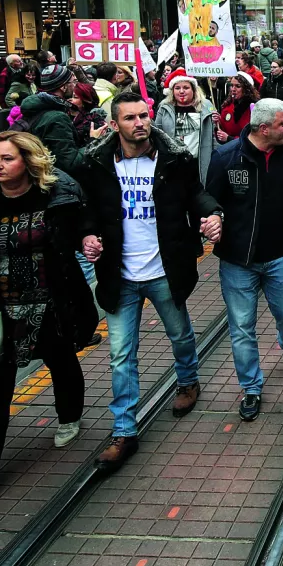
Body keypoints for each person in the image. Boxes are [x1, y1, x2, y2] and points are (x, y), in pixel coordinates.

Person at [0, 131, 99, 510]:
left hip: (50, 306)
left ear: (29, 162)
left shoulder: (58, 197)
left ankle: (69, 416)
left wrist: (89, 240)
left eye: (7, 159)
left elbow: (84, 228)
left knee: (61, 361)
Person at [75, 91, 223, 467]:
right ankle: (124, 430)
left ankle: (187, 380)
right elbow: (87, 210)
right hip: (119, 274)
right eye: (130, 118)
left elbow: (196, 195)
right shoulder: (96, 164)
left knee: (180, 334)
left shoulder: (174, 159)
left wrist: (212, 215)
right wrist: (87, 236)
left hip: (164, 269)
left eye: (144, 115)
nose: (140, 123)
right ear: (114, 125)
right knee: (121, 355)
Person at [205, 99, 283, 420]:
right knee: (242, 327)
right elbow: (208, 197)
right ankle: (251, 387)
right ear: (264, 128)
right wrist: (212, 216)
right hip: (236, 261)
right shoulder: (227, 157)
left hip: (279, 254)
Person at [19, 64, 90, 175]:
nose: (75, 86)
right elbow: (69, 163)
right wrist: (93, 141)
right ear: (63, 87)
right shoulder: (57, 118)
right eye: (73, 82)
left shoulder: (39, 106)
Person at [155, 68, 218, 185]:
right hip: (173, 165)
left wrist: (217, 123)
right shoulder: (164, 108)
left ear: (193, 89)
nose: (181, 91)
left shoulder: (206, 106)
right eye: (177, 88)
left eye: (186, 88)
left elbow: (214, 136)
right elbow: (157, 134)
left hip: (198, 164)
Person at [216, 74, 259, 143]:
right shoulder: (227, 106)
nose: (233, 89)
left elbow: (254, 138)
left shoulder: (255, 108)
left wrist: (229, 138)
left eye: (238, 86)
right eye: (232, 85)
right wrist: (217, 123)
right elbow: (222, 133)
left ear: (247, 88)